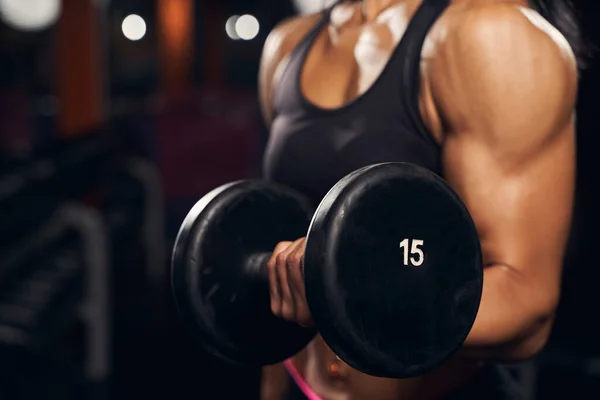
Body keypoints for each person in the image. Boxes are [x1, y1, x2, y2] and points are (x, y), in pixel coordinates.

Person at [258, 0, 582, 398]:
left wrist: (344, 294)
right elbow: (283, 259)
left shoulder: (490, 36)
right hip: (302, 386)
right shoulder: (288, 44)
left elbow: (526, 303)